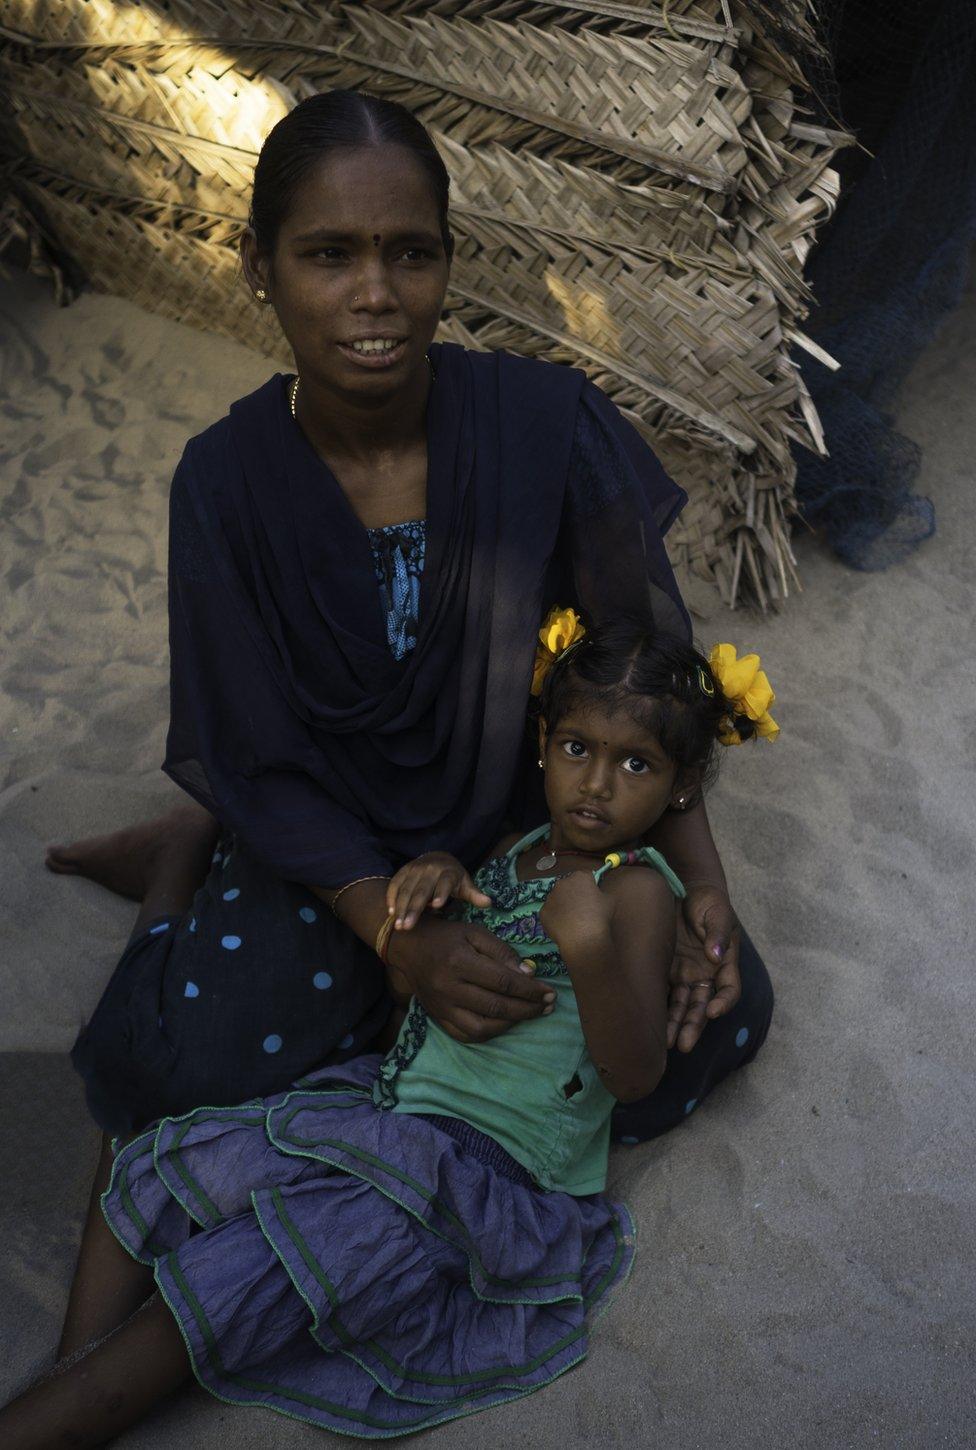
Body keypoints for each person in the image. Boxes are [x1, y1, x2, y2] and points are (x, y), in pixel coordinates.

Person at [41, 88, 773, 1375]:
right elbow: (260, 753)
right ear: (259, 270)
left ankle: (204, 846)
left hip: (509, 818)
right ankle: (179, 857)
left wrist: (702, 888)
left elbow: (646, 678)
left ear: (445, 262)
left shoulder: (547, 426)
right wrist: (391, 925)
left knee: (717, 1018)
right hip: (325, 835)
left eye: (409, 252)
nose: (374, 292)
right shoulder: (223, 482)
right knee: (194, 1054)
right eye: (329, 254)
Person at [0, 619, 777, 1445]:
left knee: (217, 1298)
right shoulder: (518, 852)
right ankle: (69, 1362)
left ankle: (70, 1399)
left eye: (636, 764)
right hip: (381, 1117)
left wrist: (586, 951)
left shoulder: (639, 896)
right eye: (578, 748)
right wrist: (436, 884)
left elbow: (634, 1074)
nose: (597, 785)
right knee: (157, 1154)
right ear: (542, 741)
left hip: (478, 1181)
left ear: (682, 785)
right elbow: (418, 1008)